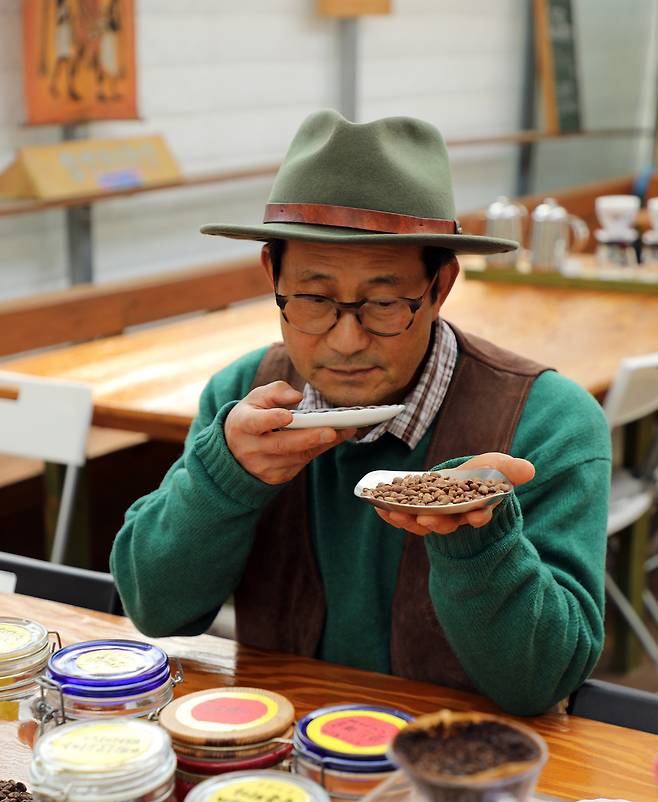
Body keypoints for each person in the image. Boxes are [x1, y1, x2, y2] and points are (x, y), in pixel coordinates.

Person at [110, 110, 611, 716]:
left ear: (441, 285)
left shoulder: (547, 423)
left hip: (461, 768)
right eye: (314, 298)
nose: (346, 341)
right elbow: (155, 609)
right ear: (272, 273)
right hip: (281, 754)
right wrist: (224, 480)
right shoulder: (245, 397)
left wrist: (479, 543)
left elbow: (544, 681)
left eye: (382, 302)